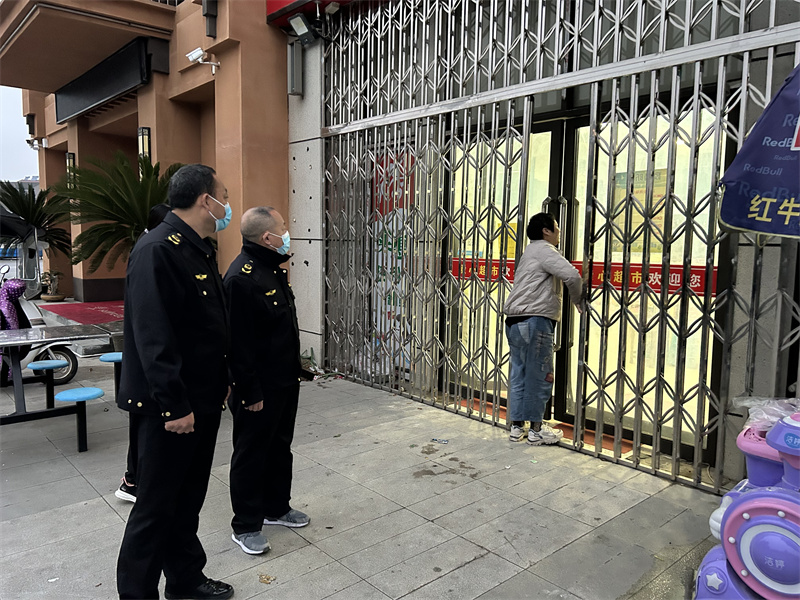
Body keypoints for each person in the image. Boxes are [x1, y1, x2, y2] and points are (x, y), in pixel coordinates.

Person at [116, 165, 234, 600]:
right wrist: (174, 406)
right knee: (155, 508)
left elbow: (207, 325)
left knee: (186, 501)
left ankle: (185, 581)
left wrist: (222, 379)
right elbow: (153, 337)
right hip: (171, 408)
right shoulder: (157, 250)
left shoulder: (197, 248)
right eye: (224, 196)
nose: (226, 205)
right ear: (206, 200)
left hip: (200, 399)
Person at [224, 206, 311, 555]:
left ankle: (277, 507)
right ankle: (246, 525)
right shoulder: (241, 278)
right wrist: (249, 392)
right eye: (282, 227)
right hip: (258, 388)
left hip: (284, 380)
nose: (287, 232)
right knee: (251, 453)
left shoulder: (272, 269)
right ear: (267, 237)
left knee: (279, 446)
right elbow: (237, 345)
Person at [503, 212, 582, 445]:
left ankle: (517, 427)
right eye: (556, 227)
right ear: (546, 231)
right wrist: (578, 300)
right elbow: (572, 276)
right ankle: (536, 430)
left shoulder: (529, 251)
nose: (559, 231)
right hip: (535, 320)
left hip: (514, 320)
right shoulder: (544, 249)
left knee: (519, 374)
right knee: (539, 375)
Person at [116, 202, 172, 503]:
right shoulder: (149, 252)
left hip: (146, 373)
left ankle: (134, 479)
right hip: (145, 374)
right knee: (143, 431)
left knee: (142, 430)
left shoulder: (151, 248)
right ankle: (132, 481)